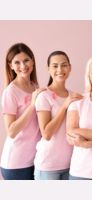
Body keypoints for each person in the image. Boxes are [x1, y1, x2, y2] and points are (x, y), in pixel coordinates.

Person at [34, 51, 82, 180]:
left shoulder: (74, 96)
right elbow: (47, 134)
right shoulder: (44, 96)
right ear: (48, 69)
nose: (60, 69)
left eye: (64, 65)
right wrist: (65, 105)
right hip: (48, 166)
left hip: (71, 164)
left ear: (70, 67)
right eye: (55, 66)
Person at [0, 43, 44, 180]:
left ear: (32, 61)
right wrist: (32, 105)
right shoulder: (10, 92)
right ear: (11, 66)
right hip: (16, 164)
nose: (23, 66)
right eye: (17, 62)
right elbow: (11, 131)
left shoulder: (34, 86)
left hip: (35, 159)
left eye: (26, 60)